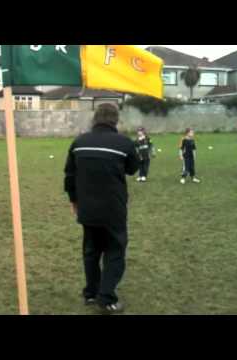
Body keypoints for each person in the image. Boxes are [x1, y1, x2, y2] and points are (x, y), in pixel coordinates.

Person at [64, 103, 139, 314]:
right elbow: (133, 169)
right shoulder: (124, 142)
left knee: (91, 251)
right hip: (113, 209)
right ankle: (105, 298)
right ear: (116, 120)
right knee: (115, 252)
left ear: (95, 118)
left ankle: (91, 293)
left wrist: (74, 201)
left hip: (87, 209)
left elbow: (69, 175)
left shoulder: (79, 142)